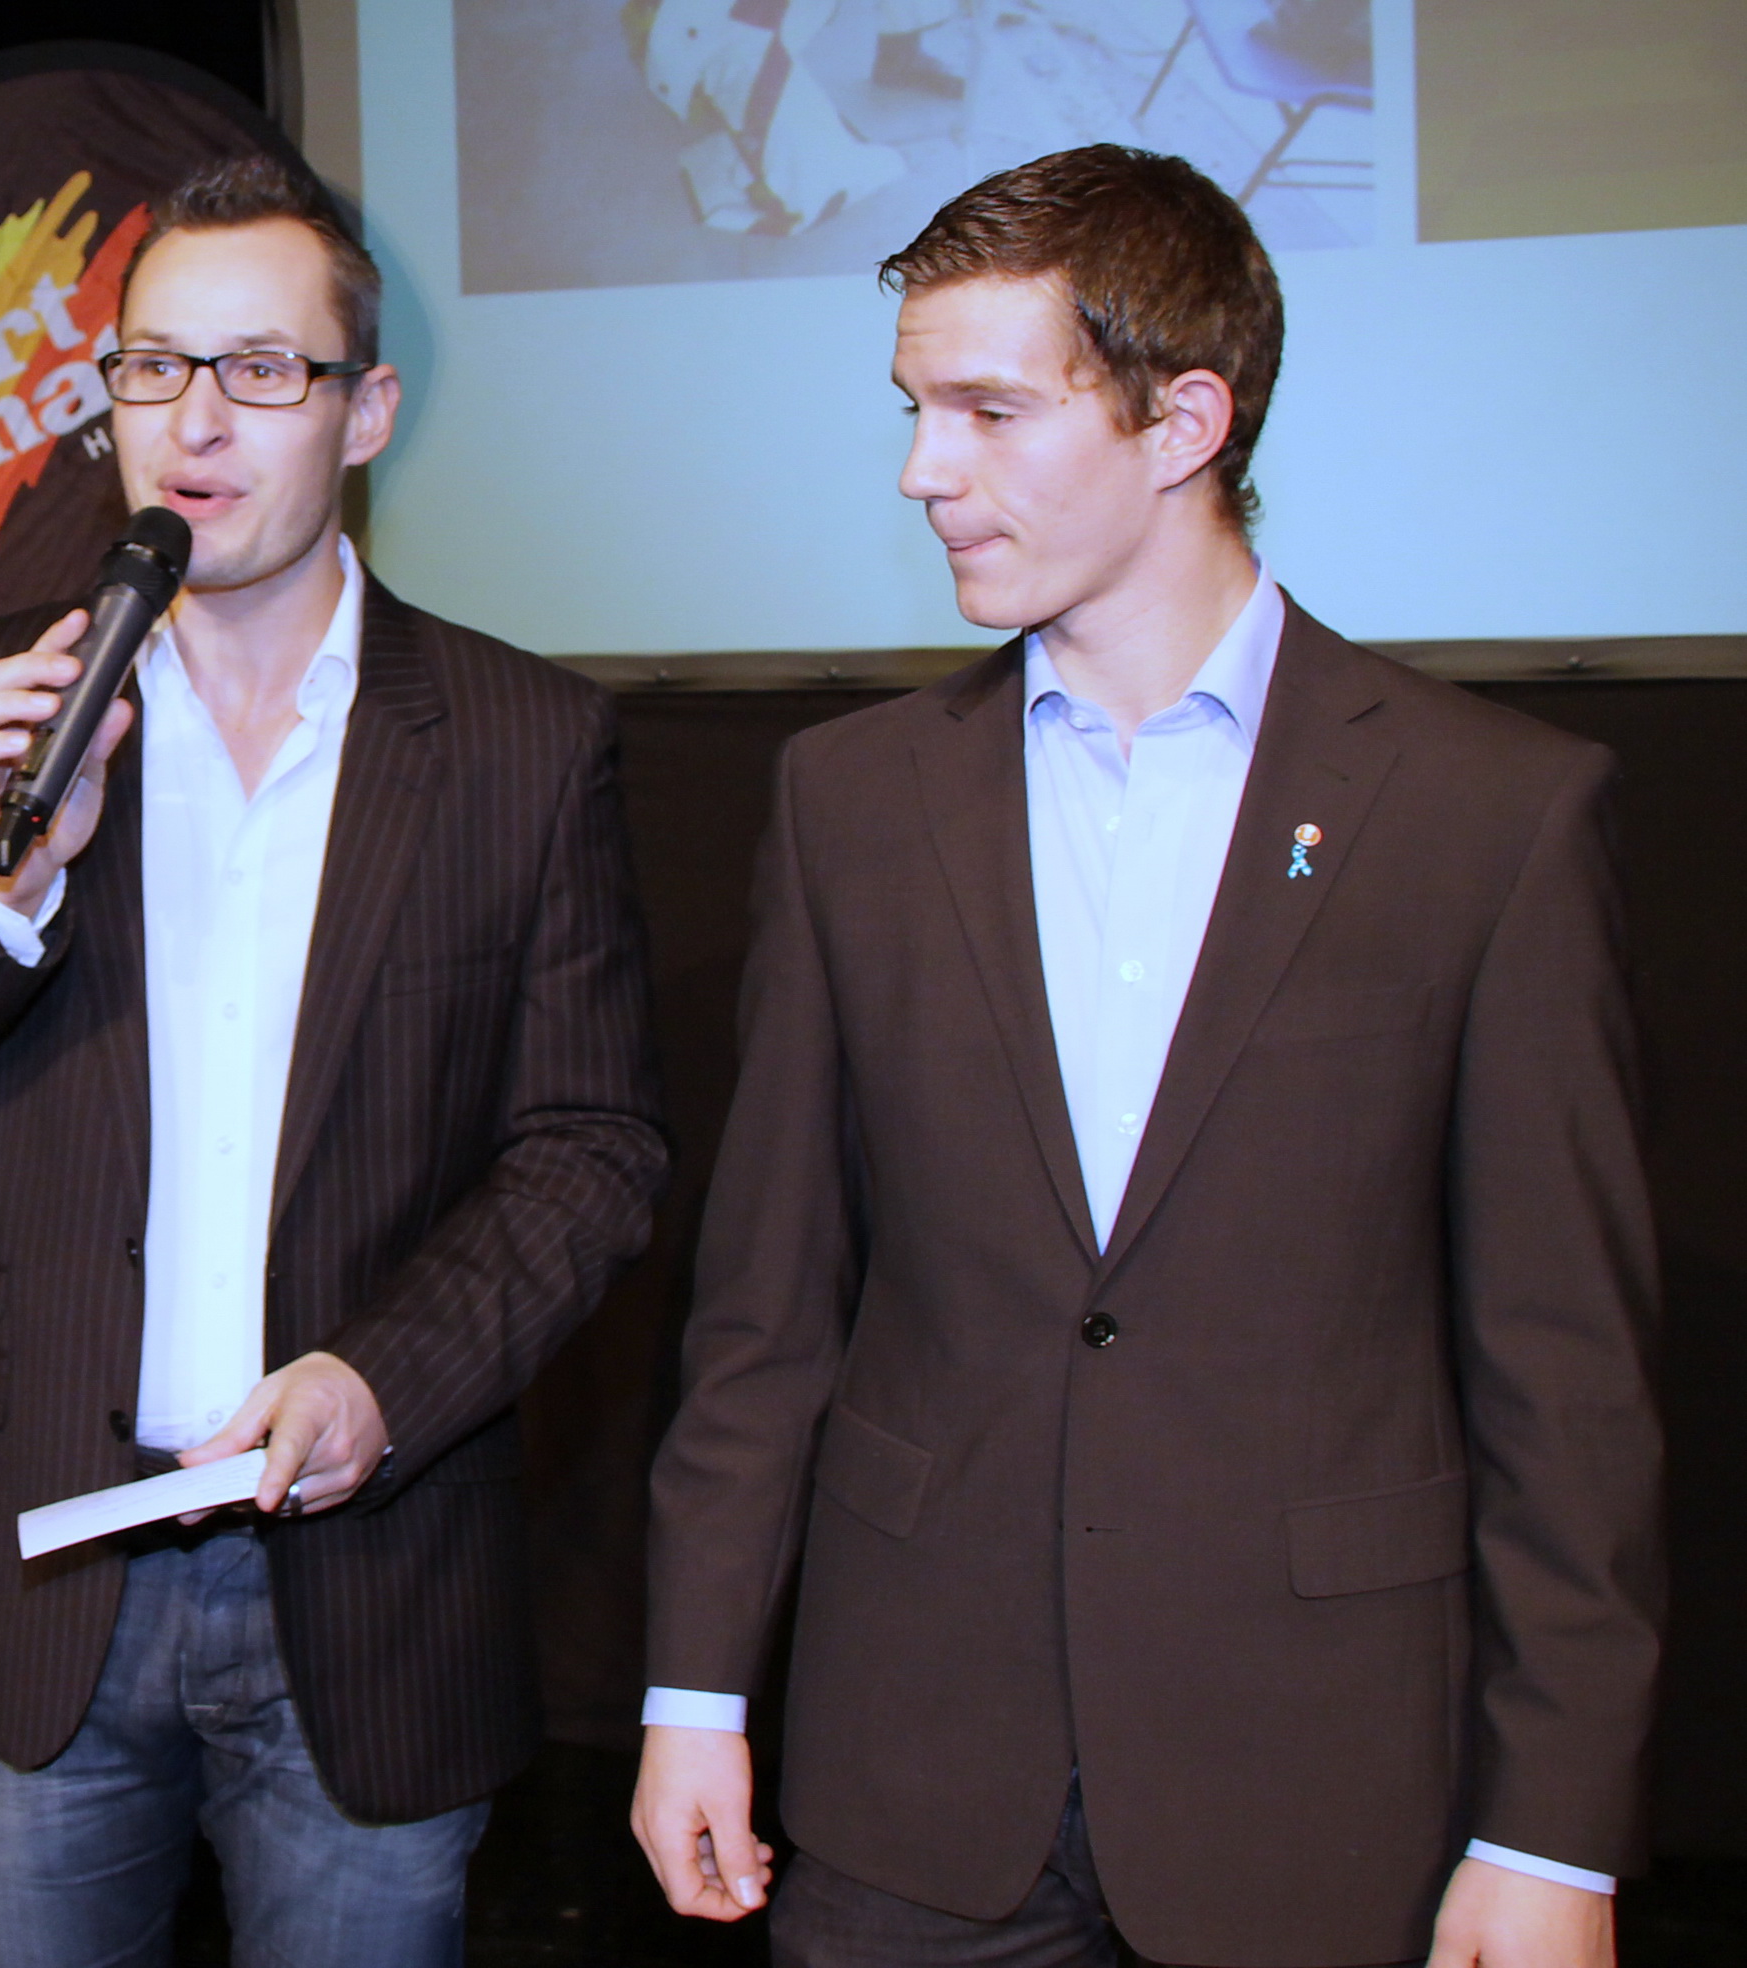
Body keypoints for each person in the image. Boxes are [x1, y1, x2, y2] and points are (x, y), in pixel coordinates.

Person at [631, 144, 1662, 1968]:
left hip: (1316, 1793)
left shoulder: (1487, 815)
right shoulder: (848, 802)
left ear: (1182, 419)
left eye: (986, 411)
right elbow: (765, 1312)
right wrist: (693, 1693)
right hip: (908, 1789)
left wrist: (1553, 1838)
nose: (921, 469)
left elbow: (1560, 1385)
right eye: (913, 409)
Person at [0, 155, 664, 1967]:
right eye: (153, 368)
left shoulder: (518, 738)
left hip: (373, 1582)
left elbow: (589, 1150)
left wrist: (386, 1378)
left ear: (365, 412)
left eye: (260, 371)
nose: (195, 422)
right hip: (43, 1562)